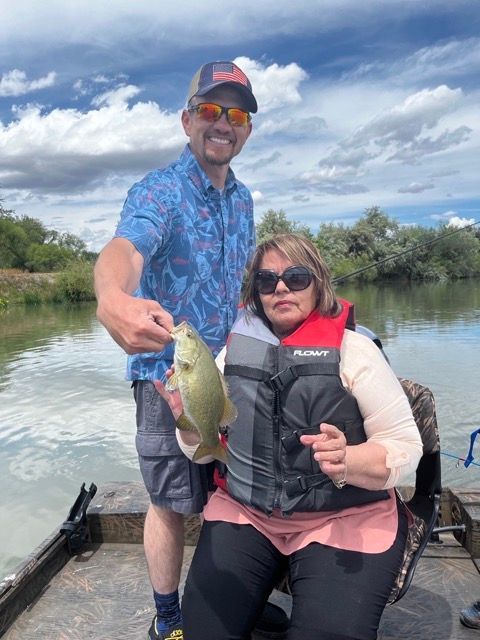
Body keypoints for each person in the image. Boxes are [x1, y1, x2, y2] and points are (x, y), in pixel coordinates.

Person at [163, 233, 424, 640]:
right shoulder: (229, 356)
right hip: (247, 511)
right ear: (257, 292)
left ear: (318, 282)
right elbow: (200, 454)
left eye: (296, 277)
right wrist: (188, 421)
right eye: (267, 281)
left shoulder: (356, 352)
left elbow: (407, 447)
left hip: (344, 517)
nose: (280, 288)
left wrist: (349, 459)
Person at [94, 60, 258, 640]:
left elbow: (246, 289)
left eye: (236, 114)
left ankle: (233, 597)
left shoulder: (244, 202)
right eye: (211, 110)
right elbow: (126, 249)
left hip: (234, 376)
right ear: (187, 120)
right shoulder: (158, 191)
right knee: (170, 501)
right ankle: (167, 616)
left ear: (247, 129)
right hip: (171, 378)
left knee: (236, 493)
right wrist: (111, 295)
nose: (223, 123)